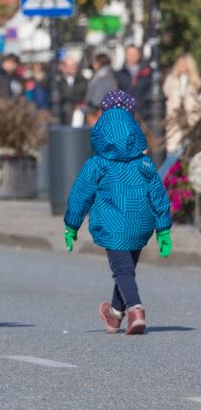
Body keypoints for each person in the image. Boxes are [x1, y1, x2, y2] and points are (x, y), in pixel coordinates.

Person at [64, 90, 172, 335]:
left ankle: (136, 310)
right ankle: (114, 315)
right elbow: (158, 196)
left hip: (112, 223)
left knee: (122, 270)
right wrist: (163, 229)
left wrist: (72, 225)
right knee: (127, 269)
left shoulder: (98, 164)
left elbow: (81, 195)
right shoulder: (144, 164)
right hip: (141, 223)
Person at [165, 53, 201, 154]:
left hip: (191, 120)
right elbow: (166, 95)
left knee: (190, 150)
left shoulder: (196, 81)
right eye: (180, 64)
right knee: (172, 149)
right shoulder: (170, 80)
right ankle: (168, 170)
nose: (182, 67)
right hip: (174, 119)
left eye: (184, 64)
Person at [115, 44, 152, 117]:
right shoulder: (119, 74)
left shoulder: (148, 72)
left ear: (139, 55)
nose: (132, 56)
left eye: (134, 54)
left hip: (144, 113)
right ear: (125, 55)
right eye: (129, 54)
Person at [85, 52, 118, 123]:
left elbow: (98, 96)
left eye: (94, 61)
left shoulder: (105, 76)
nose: (93, 64)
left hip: (99, 111)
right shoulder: (100, 74)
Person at [54, 57, 88, 125]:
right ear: (63, 67)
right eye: (71, 66)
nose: (74, 68)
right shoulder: (58, 81)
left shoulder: (82, 80)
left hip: (78, 112)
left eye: (75, 65)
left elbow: (80, 94)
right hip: (61, 114)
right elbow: (57, 96)